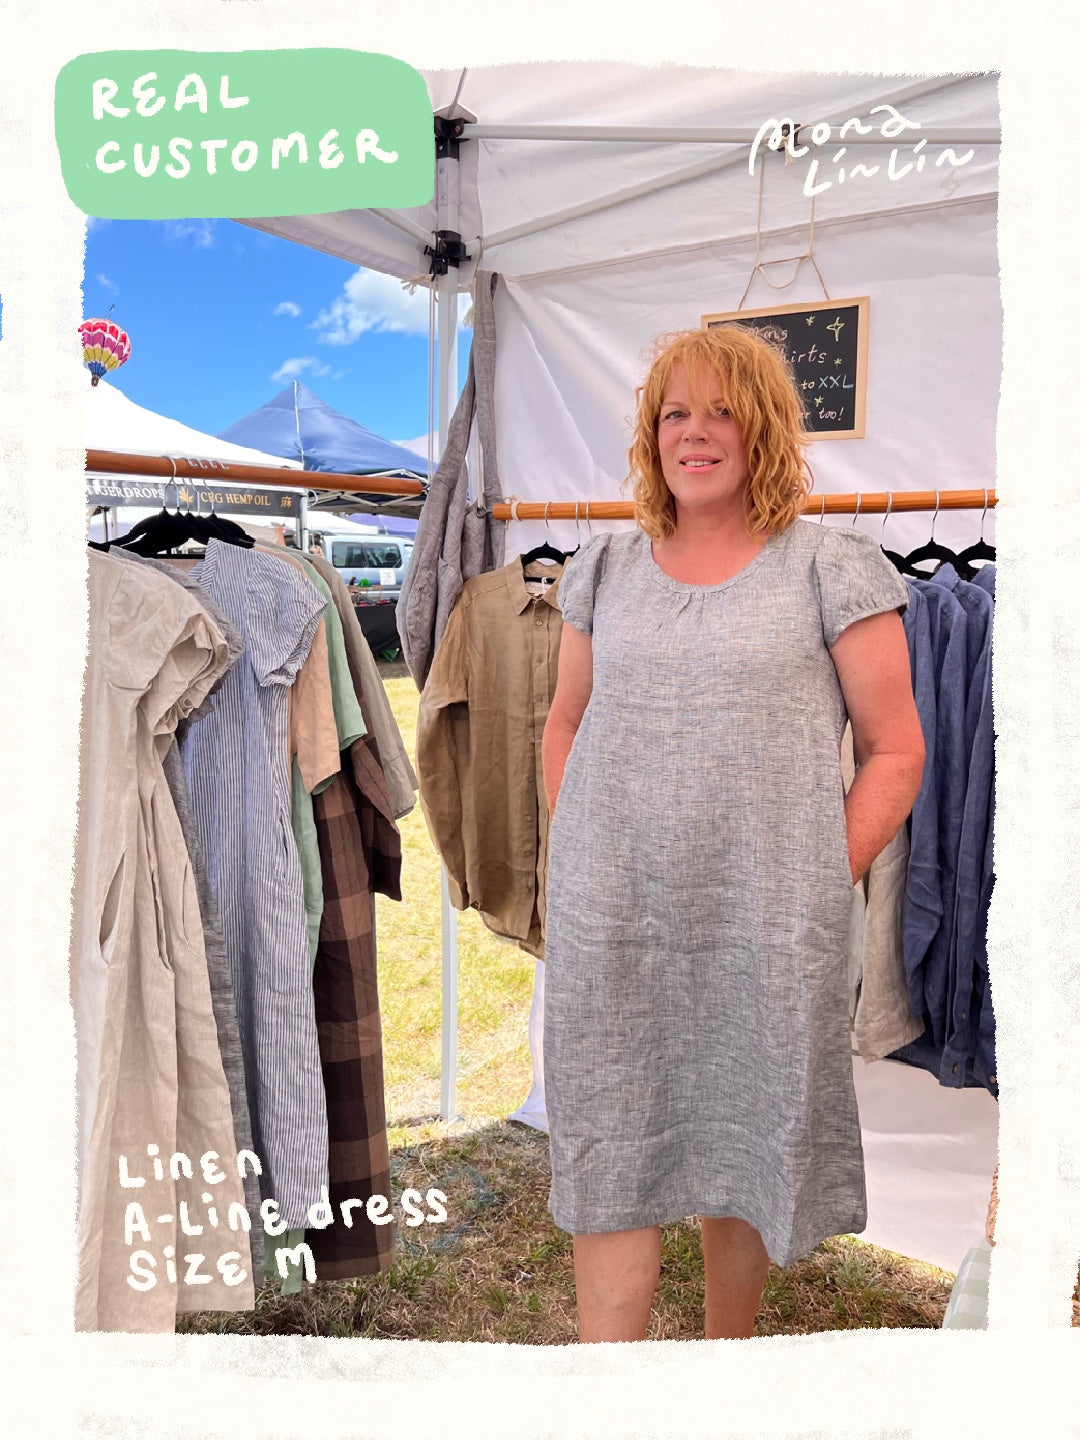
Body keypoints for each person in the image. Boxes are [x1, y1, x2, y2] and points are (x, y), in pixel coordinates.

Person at [541, 325, 925, 1343]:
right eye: (675, 413)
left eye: (720, 412)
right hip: (613, 925)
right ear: (650, 434)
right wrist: (579, 850)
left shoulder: (830, 567)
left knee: (741, 1146)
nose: (695, 434)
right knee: (610, 1149)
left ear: (762, 430)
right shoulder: (603, 570)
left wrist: (814, 877)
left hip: (763, 931)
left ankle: (725, 1364)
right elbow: (567, 722)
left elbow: (896, 751)